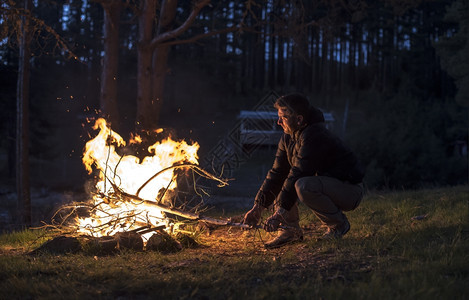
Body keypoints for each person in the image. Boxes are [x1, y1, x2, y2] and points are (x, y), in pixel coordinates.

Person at [243, 93, 365, 249]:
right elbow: (277, 174)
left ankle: (338, 225)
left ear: (299, 119)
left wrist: (278, 214)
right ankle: (290, 232)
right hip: (328, 186)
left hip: (349, 190)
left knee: (302, 185)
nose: (278, 122)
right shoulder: (288, 138)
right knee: (284, 180)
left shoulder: (315, 135)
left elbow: (299, 172)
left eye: (283, 118)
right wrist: (258, 207)